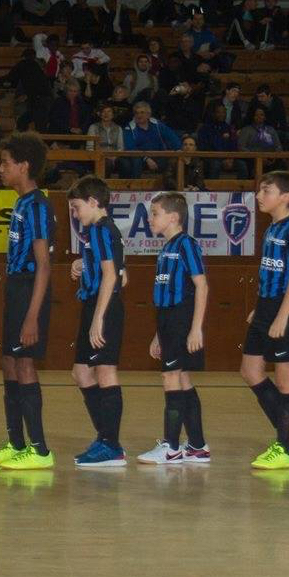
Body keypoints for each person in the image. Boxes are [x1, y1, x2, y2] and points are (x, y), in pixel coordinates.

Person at [0, 133, 54, 470]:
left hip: (29, 288)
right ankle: (16, 443)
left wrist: (32, 316)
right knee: (9, 362)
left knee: (24, 364)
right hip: (15, 287)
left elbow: (44, 265)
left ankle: (40, 450)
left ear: (23, 166)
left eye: (5, 163)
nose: (0, 169)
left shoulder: (37, 205)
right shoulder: (21, 202)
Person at [132, 193, 211, 465]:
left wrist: (196, 328)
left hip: (182, 318)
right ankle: (198, 446)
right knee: (183, 379)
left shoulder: (186, 244)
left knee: (171, 378)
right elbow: (163, 296)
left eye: (155, 213)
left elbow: (201, 285)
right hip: (167, 320)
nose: (150, 218)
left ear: (174, 217)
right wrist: (158, 334)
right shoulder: (166, 249)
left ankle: (171, 447)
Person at [242, 171, 289, 470]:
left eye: (266, 190)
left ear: (286, 197)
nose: (259, 195)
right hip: (267, 306)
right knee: (250, 370)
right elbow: (271, 271)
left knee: (286, 378)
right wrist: (260, 308)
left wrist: (282, 315)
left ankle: (285, 449)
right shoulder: (272, 227)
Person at [65, 176, 126, 467]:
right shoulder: (99, 231)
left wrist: (98, 318)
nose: (75, 214)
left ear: (93, 202)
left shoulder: (102, 229)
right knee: (81, 373)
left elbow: (113, 276)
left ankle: (111, 445)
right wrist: (83, 263)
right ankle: (106, 438)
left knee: (105, 371)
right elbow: (119, 271)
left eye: (77, 207)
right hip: (94, 305)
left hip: (105, 308)